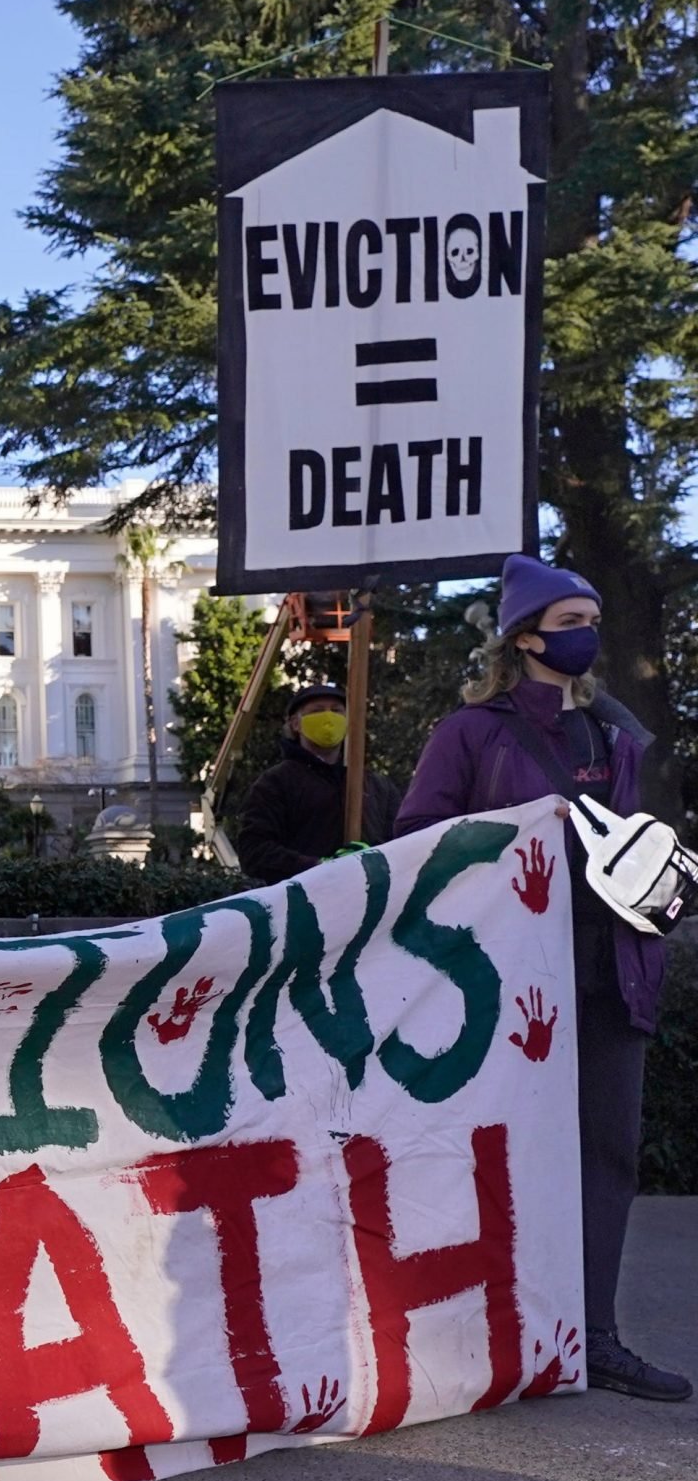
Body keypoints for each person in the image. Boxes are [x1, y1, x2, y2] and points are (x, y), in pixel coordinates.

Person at [397, 554, 687, 1403]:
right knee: (495, 1156)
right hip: (513, 977)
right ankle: (480, 1338)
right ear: (523, 637)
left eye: (592, 618)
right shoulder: (471, 733)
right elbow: (418, 839)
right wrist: (513, 836)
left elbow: (650, 834)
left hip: (615, 969)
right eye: (569, 623)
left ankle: (593, 1338)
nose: (587, 636)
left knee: (608, 1155)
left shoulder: (617, 731)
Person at [234, 681, 401, 884]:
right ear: (296, 723)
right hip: (305, 905)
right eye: (317, 711)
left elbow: (401, 843)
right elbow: (254, 852)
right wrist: (317, 867)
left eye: (337, 711)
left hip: (368, 902)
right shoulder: (276, 783)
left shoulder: (376, 785)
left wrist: (375, 861)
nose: (329, 717)